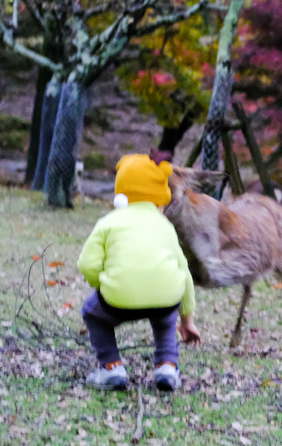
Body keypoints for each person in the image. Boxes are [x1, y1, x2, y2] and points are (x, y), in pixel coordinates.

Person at [78, 153, 201, 391]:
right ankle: (167, 367)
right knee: (166, 320)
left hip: (118, 297)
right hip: (166, 299)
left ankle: (111, 368)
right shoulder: (165, 226)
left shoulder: (108, 222)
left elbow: (87, 263)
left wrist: (103, 284)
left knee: (93, 314)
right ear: (160, 200)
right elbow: (183, 272)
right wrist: (188, 319)